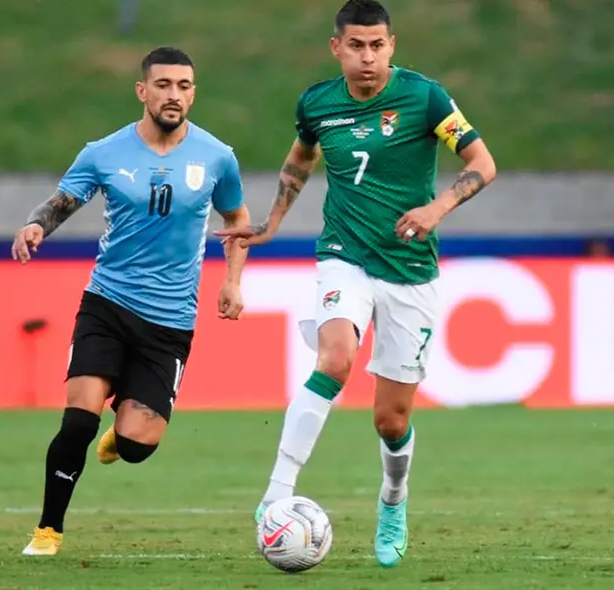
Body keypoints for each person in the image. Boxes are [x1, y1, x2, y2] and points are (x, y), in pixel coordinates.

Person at [216, 0, 497, 568]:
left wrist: (437, 206)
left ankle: (393, 500)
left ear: (392, 45)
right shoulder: (318, 104)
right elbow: (300, 159)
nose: (367, 57)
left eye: (377, 46)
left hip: (410, 270)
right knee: (336, 359)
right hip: (344, 255)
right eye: (356, 46)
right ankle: (277, 492)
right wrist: (271, 222)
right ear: (336, 48)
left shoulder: (425, 98)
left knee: (391, 419)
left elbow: (482, 162)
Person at [12, 46, 251, 556]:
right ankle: (47, 530)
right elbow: (60, 203)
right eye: (163, 85)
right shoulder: (104, 152)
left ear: (193, 93)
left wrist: (232, 281)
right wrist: (36, 224)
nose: (174, 95)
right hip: (108, 304)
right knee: (78, 418)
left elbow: (236, 220)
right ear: (143, 91)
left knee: (140, 446)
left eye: (184, 86)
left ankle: (122, 435)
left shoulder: (216, 156)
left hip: (169, 322)